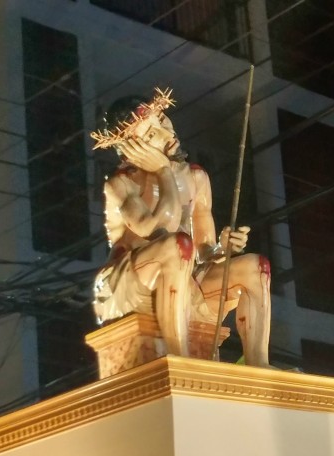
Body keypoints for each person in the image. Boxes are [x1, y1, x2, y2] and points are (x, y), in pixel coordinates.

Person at [90, 88, 271, 366]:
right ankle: (179, 357)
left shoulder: (196, 177)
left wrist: (223, 247)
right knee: (176, 247)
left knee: (254, 267)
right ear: (133, 150)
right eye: (151, 136)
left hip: (185, 272)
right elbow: (160, 230)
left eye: (162, 121)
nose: (166, 135)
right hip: (129, 280)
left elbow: (204, 250)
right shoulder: (121, 184)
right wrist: (163, 171)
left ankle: (259, 364)